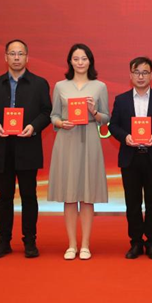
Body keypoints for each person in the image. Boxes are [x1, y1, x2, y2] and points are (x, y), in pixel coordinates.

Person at [0, 39, 52, 259]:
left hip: (27, 146)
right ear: (5, 57)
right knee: (4, 197)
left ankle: (30, 241)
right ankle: (3, 241)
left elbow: (47, 112)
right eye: (12, 54)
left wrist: (33, 127)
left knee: (29, 196)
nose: (16, 58)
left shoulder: (39, 84)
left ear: (27, 57)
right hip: (2, 149)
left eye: (20, 54)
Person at [108, 57, 152, 260]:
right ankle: (136, 242)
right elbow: (113, 126)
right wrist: (125, 137)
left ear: (151, 75)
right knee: (133, 203)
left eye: (145, 72)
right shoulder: (121, 100)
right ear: (130, 75)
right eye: (137, 72)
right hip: (130, 158)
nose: (140, 76)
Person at [48, 43, 110, 261]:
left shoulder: (99, 86)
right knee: (69, 195)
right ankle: (71, 244)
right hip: (66, 140)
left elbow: (106, 118)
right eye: (76, 59)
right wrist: (60, 123)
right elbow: (53, 115)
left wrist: (94, 111)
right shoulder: (60, 86)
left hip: (90, 139)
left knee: (87, 195)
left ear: (90, 61)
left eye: (84, 58)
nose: (80, 62)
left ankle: (85, 244)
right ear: (70, 62)